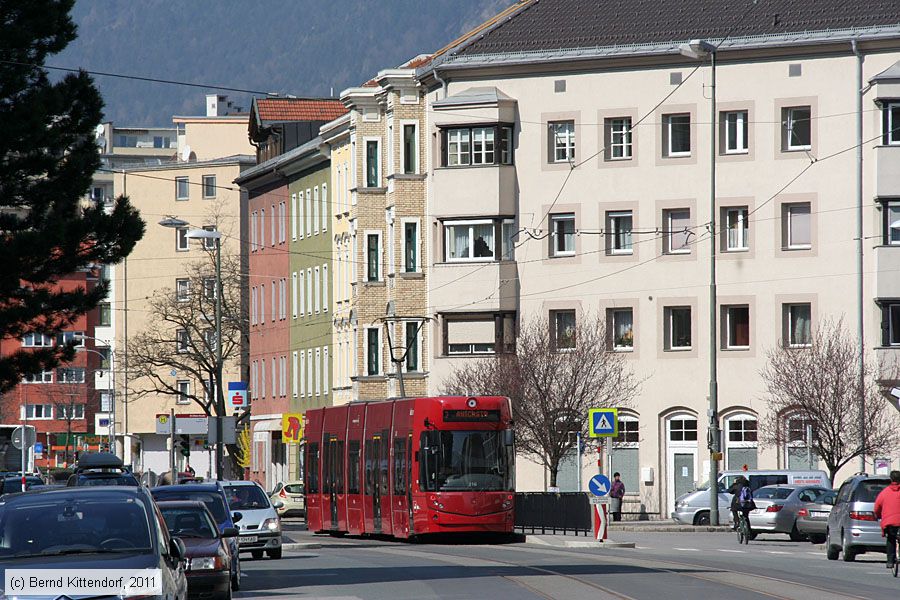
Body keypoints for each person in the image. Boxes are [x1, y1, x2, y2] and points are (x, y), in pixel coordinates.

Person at [874, 470, 900, 568]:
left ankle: (890, 561)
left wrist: (877, 515)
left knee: (891, 539)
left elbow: (877, 507)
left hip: (889, 523)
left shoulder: (884, 492)